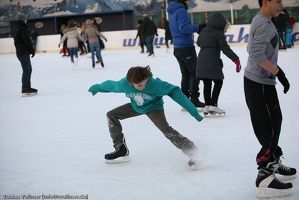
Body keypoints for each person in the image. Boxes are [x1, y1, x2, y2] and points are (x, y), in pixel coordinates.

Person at [88, 66, 203, 170]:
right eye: (139, 85)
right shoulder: (124, 84)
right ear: (130, 82)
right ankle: (121, 149)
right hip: (136, 107)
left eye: (145, 84)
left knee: (167, 130)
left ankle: (193, 152)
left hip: (154, 108)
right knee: (111, 115)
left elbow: (175, 92)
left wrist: (194, 112)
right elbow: (110, 85)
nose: (143, 87)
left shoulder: (156, 84)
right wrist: (96, 88)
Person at [244, 0, 296, 198]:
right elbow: (256, 54)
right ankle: (265, 175)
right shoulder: (264, 24)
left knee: (274, 122)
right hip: (259, 82)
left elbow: (253, 51)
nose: (280, 5)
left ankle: (272, 159)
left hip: (260, 82)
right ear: (265, 2)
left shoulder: (262, 20)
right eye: (277, 1)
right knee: (270, 126)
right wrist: (278, 72)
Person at [196, 13, 241, 115]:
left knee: (207, 83)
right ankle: (213, 104)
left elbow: (199, 43)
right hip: (213, 60)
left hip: (201, 60)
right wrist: (236, 60)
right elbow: (225, 49)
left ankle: (207, 106)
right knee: (218, 81)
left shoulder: (203, 31)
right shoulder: (218, 33)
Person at [167, 0, 205, 108]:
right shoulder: (181, 11)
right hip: (186, 47)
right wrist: (198, 27)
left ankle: (184, 101)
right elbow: (183, 28)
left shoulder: (172, 11)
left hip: (178, 47)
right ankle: (194, 99)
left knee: (186, 74)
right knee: (195, 73)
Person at [13, 13, 37, 97]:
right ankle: (24, 88)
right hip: (23, 53)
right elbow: (27, 41)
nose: (26, 20)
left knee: (29, 69)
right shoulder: (22, 29)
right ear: (23, 20)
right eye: (25, 19)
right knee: (26, 70)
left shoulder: (18, 28)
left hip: (22, 52)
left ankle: (28, 87)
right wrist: (32, 50)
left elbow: (17, 42)